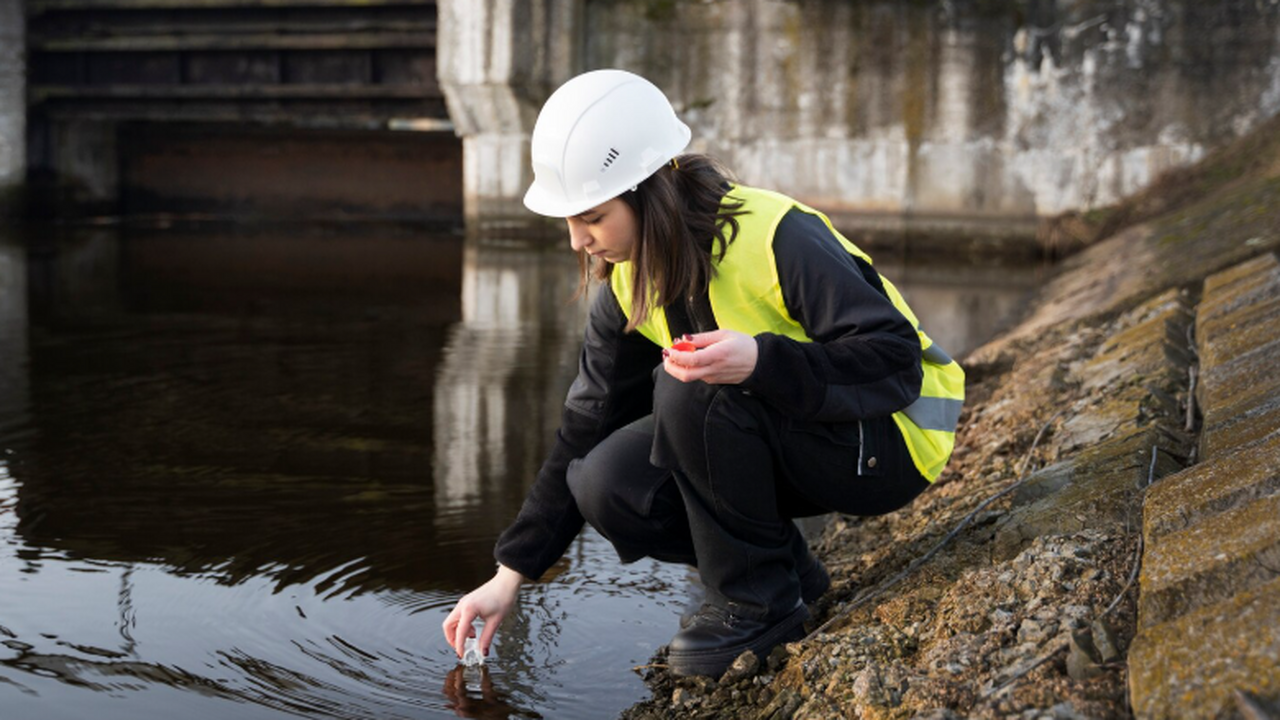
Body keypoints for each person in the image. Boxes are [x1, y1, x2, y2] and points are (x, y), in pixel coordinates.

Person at [442, 69, 964, 678]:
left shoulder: (776, 236)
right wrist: (511, 575)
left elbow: (894, 359)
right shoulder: (628, 284)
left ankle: (755, 605)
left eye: (592, 216)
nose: (578, 241)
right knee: (603, 482)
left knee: (689, 390)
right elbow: (582, 430)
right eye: (569, 220)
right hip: (807, 434)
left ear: (648, 190)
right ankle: (786, 574)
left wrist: (764, 362)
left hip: (891, 441)